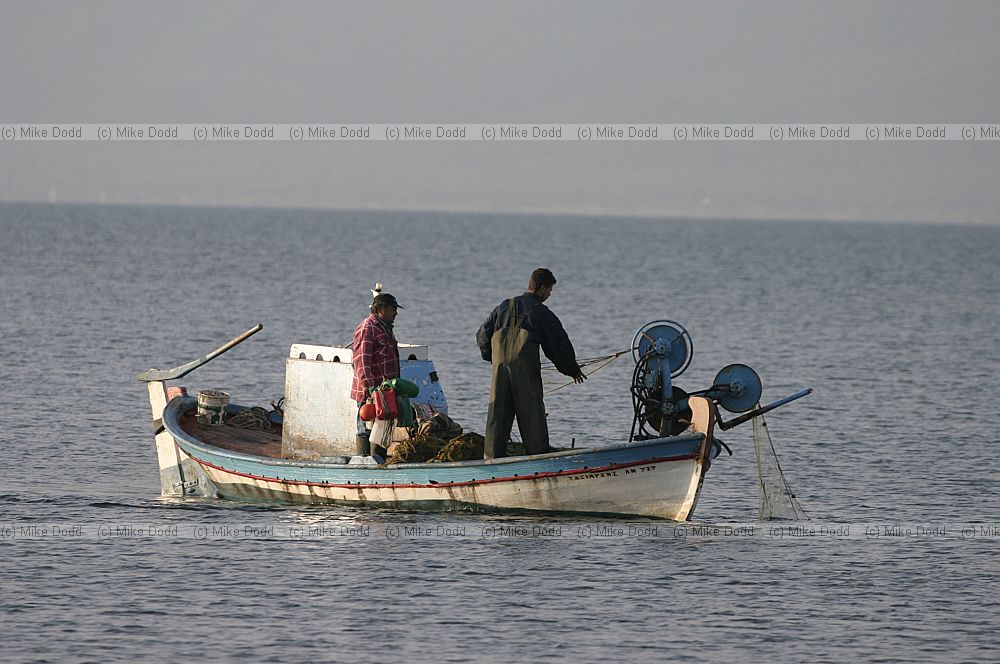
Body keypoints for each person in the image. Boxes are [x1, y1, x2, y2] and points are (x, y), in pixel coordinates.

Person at [477, 268, 586, 459]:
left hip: (500, 372)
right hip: (525, 374)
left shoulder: (504, 306)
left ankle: (492, 460)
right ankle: (538, 460)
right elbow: (558, 344)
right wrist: (572, 370)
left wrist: (492, 357)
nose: (549, 294)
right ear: (542, 289)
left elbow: (482, 335)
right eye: (549, 290)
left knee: (497, 416)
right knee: (532, 416)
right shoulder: (541, 313)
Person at [351, 292, 403, 460]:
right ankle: (364, 461)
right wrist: (369, 387)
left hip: (384, 391)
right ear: (381, 309)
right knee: (365, 425)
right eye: (393, 309)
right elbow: (361, 360)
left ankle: (378, 462)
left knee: (381, 429)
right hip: (370, 390)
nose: (396, 313)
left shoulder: (385, 328)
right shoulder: (368, 328)